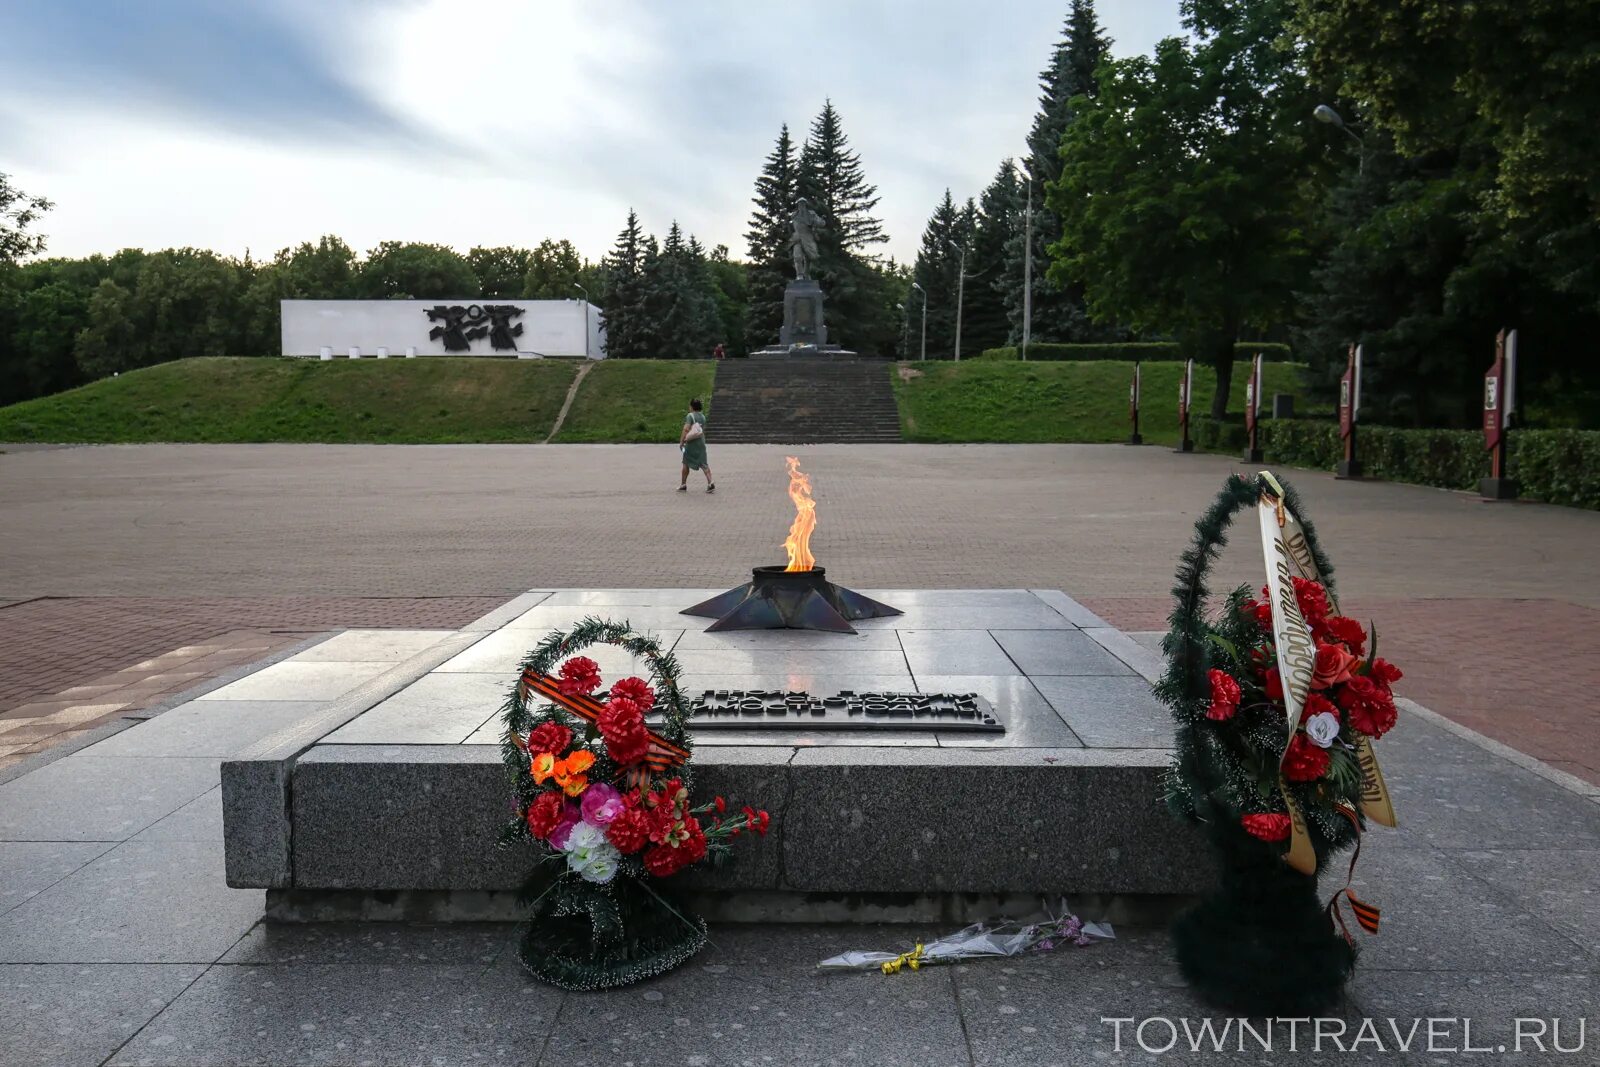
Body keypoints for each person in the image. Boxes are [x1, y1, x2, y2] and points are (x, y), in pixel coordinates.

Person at [678, 398, 714, 493]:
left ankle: (683, 484)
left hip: (691, 444)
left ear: (692, 407)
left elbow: (686, 429)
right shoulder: (703, 417)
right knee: (704, 464)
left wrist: (682, 442)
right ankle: (710, 483)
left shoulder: (690, 416)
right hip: (701, 443)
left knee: (686, 462)